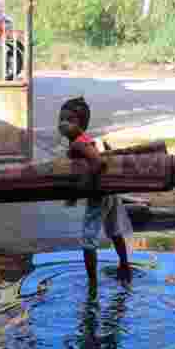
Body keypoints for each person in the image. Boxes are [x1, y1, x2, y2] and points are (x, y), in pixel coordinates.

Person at [57, 97, 132, 284]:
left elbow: (99, 163)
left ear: (81, 124)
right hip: (109, 190)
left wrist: (81, 185)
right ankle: (125, 266)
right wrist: (75, 194)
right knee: (114, 231)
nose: (63, 123)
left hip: (98, 194)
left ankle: (92, 285)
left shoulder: (78, 143)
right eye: (61, 119)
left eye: (69, 120)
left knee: (88, 240)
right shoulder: (82, 140)